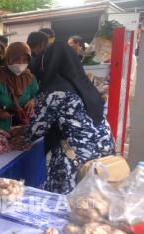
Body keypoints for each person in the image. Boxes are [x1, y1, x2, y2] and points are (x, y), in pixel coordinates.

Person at [27, 42, 115, 194]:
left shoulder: (54, 91)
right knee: (95, 205)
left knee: (68, 208)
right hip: (105, 155)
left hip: (77, 160)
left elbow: (34, 131)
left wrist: (23, 129)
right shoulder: (85, 84)